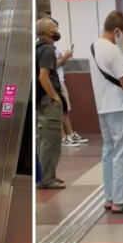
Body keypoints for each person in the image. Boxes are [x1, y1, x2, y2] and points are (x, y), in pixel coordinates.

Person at [89, 11, 123, 214]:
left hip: (102, 107)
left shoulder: (94, 46)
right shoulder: (113, 50)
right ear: (117, 30)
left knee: (109, 153)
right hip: (119, 108)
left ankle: (110, 198)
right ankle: (120, 202)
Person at [35, 17, 66, 189]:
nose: (56, 28)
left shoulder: (37, 48)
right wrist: (55, 97)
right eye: (54, 26)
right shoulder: (47, 50)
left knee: (44, 139)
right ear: (47, 32)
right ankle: (48, 178)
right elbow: (43, 77)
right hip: (48, 100)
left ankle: (48, 175)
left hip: (41, 101)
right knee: (51, 140)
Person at [51, 19, 87, 147]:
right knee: (59, 110)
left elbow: (60, 61)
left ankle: (70, 134)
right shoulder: (45, 47)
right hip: (55, 82)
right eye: (54, 27)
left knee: (65, 110)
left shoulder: (54, 46)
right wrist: (65, 57)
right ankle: (63, 137)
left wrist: (65, 57)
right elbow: (51, 65)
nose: (56, 31)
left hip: (60, 80)